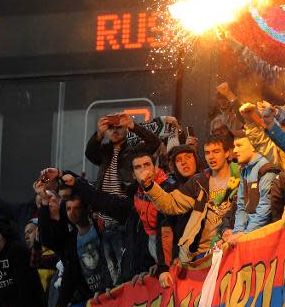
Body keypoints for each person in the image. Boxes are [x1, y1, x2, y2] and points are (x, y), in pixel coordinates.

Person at [137, 134, 242, 272]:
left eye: (216, 151)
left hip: (234, 248)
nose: (211, 157)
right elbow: (171, 204)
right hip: (202, 256)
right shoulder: (198, 182)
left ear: (227, 153)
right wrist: (150, 186)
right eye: (207, 153)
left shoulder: (242, 175)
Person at [85, 112, 163, 284]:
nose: (114, 131)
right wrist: (98, 134)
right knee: (111, 272)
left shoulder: (133, 151)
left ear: (125, 128)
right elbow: (90, 153)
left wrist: (133, 126)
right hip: (105, 222)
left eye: (118, 127)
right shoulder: (104, 152)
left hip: (123, 218)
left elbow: (154, 142)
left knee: (124, 273)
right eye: (110, 128)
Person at [228, 136, 280, 238]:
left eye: (239, 145)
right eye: (234, 146)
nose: (234, 150)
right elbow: (241, 205)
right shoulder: (245, 170)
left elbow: (265, 206)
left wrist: (246, 234)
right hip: (248, 231)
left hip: (265, 234)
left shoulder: (266, 168)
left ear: (253, 145)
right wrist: (238, 232)